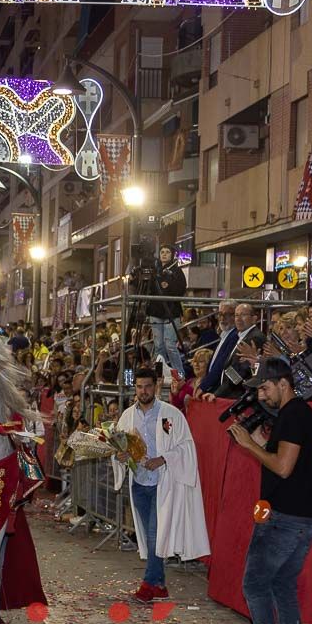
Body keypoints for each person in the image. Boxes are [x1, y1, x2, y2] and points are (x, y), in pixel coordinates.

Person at [227, 357, 312, 624]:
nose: (262, 395)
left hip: (285, 518)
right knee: (282, 589)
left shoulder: (295, 413)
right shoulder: (294, 414)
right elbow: (285, 460)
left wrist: (250, 446)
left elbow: (283, 467)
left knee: (254, 586)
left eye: (265, 388)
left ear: (283, 383)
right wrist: (258, 440)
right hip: (298, 517)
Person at [113, 367, 209, 603]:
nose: (143, 391)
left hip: (162, 484)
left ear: (156, 386)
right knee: (148, 536)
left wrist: (163, 459)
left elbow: (186, 446)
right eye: (138, 387)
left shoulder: (171, 415)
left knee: (156, 536)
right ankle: (160, 585)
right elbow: (118, 446)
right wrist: (120, 457)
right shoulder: (127, 416)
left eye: (147, 386)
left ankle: (148, 585)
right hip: (139, 483)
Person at [145, 244, 187, 377]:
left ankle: (179, 374)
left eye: (167, 252)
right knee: (159, 346)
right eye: (162, 252)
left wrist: (167, 285)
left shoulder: (177, 271)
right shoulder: (155, 271)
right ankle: (159, 375)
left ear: (172, 255)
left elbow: (181, 290)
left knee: (170, 344)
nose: (164, 254)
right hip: (156, 310)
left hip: (171, 310)